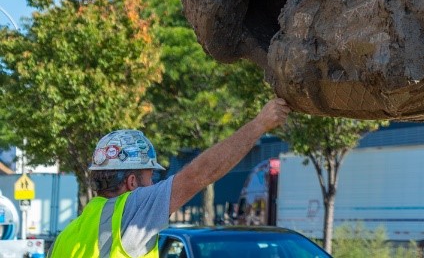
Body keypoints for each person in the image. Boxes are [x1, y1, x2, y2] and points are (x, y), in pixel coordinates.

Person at [51, 98, 290, 258]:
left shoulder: (66, 236)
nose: (154, 184)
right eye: (150, 176)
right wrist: (260, 125)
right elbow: (199, 174)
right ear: (132, 182)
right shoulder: (133, 207)